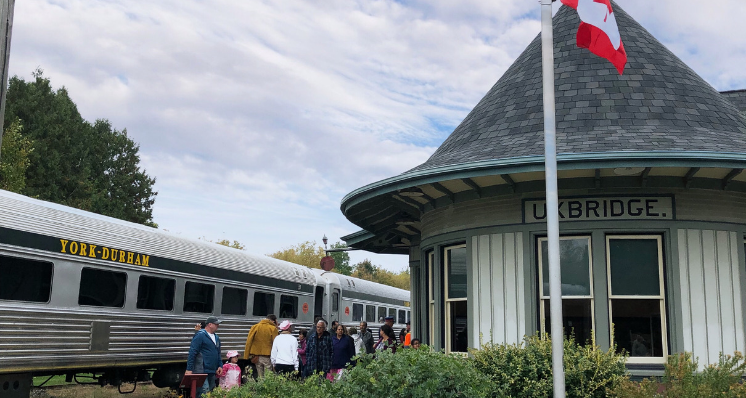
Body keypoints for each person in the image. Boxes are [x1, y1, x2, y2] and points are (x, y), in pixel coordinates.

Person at [186, 316, 223, 397]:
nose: (218, 326)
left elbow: (218, 353)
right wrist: (189, 369)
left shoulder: (216, 337)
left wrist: (220, 365)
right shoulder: (200, 335)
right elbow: (192, 352)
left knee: (211, 392)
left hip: (212, 370)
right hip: (201, 370)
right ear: (210, 324)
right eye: (216, 324)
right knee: (204, 393)